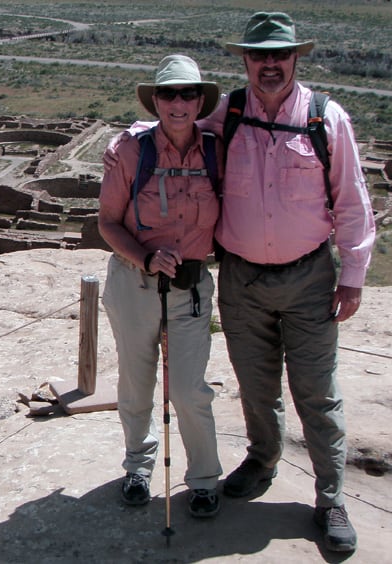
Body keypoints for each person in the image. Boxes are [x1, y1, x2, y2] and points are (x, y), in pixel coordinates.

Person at [104, 12, 375, 552]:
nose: (269, 65)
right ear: (245, 62)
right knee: (255, 383)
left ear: (297, 58)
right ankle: (261, 460)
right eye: (258, 56)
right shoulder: (225, 115)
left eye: (279, 55)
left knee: (316, 390)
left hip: (308, 275)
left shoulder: (326, 119)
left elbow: (351, 199)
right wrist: (131, 138)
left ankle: (331, 497)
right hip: (243, 276)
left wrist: (353, 275)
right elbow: (169, 136)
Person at [98, 54, 224, 518]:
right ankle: (138, 465)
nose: (178, 103)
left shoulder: (214, 149)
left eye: (187, 94)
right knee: (137, 383)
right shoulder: (132, 151)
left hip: (190, 287)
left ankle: (205, 478)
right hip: (136, 282)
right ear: (155, 101)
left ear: (199, 101)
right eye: (168, 93)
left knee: (190, 389)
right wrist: (147, 256)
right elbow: (108, 223)